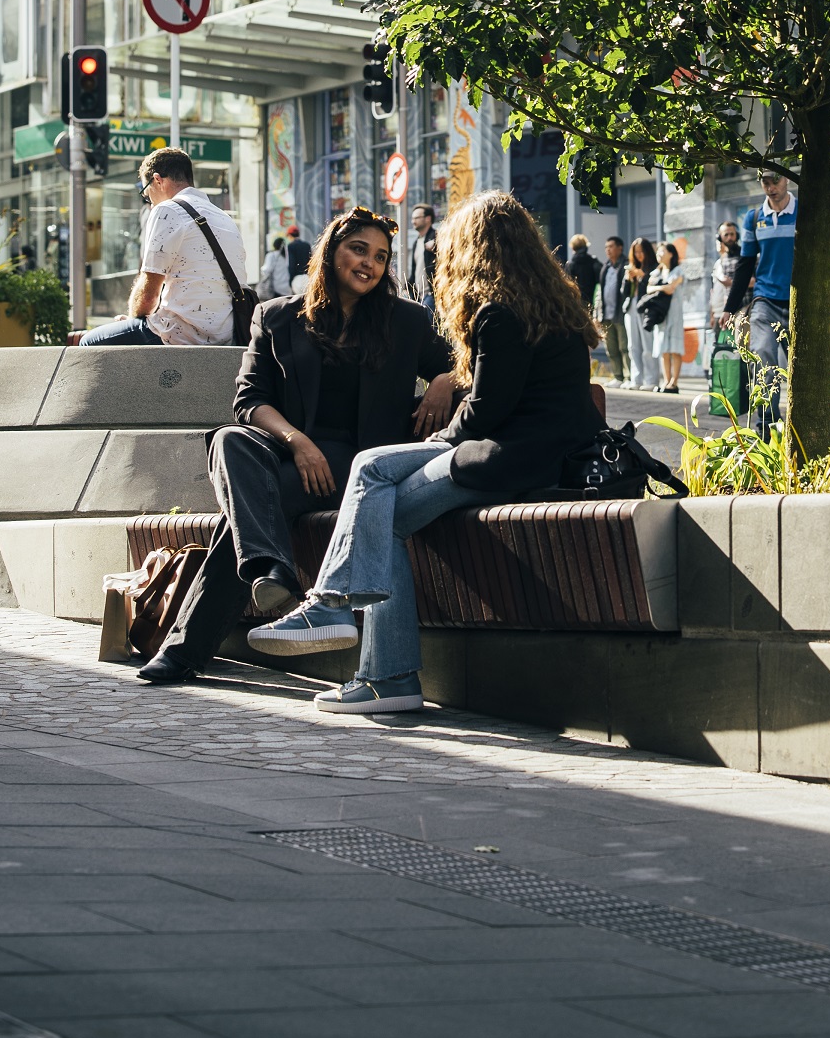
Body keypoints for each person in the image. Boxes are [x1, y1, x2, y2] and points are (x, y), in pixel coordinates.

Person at [248, 189, 605, 716]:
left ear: (476, 246)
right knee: (381, 503)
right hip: (542, 456)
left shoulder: (499, 313)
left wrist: (432, 443)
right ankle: (373, 665)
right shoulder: (553, 306)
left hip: (509, 461)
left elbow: (484, 414)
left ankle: (347, 628)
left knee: (373, 471)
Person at [136, 208, 457, 685]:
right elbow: (249, 400)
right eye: (359, 250)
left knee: (243, 519)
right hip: (290, 456)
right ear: (330, 253)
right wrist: (299, 442)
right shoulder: (278, 317)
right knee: (229, 440)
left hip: (359, 469)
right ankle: (269, 569)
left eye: (381, 257)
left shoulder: (406, 321)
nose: (369, 263)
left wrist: (444, 380)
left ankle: (203, 635)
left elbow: (469, 364)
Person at [80, 148, 250, 347]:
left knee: (89, 342)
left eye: (146, 193)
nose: (149, 202)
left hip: (181, 335)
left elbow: (148, 296)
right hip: (228, 335)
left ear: (158, 180)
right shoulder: (223, 216)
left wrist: (134, 320)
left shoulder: (167, 210)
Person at [723, 168, 830, 426]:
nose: (771, 187)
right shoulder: (754, 218)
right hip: (765, 302)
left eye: (776, 180)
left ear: (787, 180)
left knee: (804, 367)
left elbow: (824, 258)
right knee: (762, 356)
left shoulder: (804, 211)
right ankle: (768, 423)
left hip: (801, 302)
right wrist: (730, 307)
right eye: (766, 182)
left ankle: (803, 425)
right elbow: (745, 265)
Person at [645, 240, 686, 393]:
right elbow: (648, 289)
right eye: (658, 252)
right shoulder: (656, 272)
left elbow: (671, 289)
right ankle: (666, 381)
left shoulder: (678, 271)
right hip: (661, 314)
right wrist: (663, 287)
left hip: (674, 314)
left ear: (671, 254)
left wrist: (658, 288)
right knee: (663, 349)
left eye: (662, 251)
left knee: (675, 349)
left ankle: (674, 383)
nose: (659, 254)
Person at [625, 237, 660, 392]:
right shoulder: (631, 267)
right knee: (633, 345)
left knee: (648, 345)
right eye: (636, 252)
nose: (639, 255)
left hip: (646, 308)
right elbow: (623, 293)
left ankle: (651, 379)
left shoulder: (654, 267)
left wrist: (642, 276)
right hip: (631, 307)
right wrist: (628, 280)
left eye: (641, 252)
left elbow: (654, 289)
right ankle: (636, 378)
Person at [597, 234, 629, 383]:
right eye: (606, 247)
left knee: (624, 347)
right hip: (606, 315)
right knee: (611, 349)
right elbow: (600, 292)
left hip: (620, 314)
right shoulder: (605, 267)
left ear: (619, 248)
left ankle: (628, 377)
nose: (608, 250)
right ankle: (618, 376)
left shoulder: (626, 264)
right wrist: (598, 314)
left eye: (611, 247)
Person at [406, 204, 438, 310]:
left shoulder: (437, 237)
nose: (413, 221)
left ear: (428, 219)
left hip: (431, 294)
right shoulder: (417, 242)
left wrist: (437, 243)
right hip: (419, 296)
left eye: (416, 218)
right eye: (412, 218)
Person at [709, 220, 741, 324]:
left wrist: (731, 283)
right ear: (720, 237)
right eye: (726, 235)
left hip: (745, 307)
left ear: (737, 235)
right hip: (728, 311)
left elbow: (754, 281)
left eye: (732, 234)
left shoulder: (745, 255)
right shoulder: (723, 260)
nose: (729, 238)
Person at [565, 233, 601, 316]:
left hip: (575, 302)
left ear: (573, 247)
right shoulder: (593, 261)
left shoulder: (570, 265)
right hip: (591, 300)